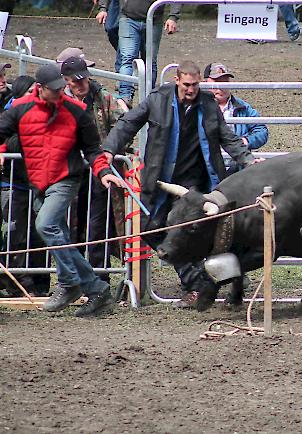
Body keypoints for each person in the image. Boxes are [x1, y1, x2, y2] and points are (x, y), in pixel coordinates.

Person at [101, 60, 257, 309]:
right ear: (176, 80)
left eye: (195, 85)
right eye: (186, 84)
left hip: (195, 184)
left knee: (201, 233)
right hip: (160, 180)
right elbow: (129, 123)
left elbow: (227, 137)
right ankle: (201, 279)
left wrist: (247, 160)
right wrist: (109, 149)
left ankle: (202, 283)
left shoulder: (207, 105)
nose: (191, 89)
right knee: (148, 228)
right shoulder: (157, 99)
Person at [0, 64, 125, 316]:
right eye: (54, 90)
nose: (60, 94)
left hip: (66, 178)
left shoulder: (77, 113)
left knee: (45, 225)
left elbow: (93, 150)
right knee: (60, 238)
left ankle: (69, 283)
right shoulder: (19, 109)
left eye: (61, 88)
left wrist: (103, 173)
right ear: (40, 88)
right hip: (37, 183)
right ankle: (97, 290)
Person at [61, 55, 126, 284]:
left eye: (84, 80)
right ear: (66, 81)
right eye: (75, 82)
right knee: (71, 225)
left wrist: (108, 149)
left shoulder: (104, 98)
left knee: (99, 226)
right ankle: (74, 280)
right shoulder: (59, 101)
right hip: (69, 172)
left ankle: (100, 277)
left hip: (100, 171)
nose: (81, 85)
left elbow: (123, 126)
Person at [0, 74, 51, 297]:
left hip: (40, 185)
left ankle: (39, 284)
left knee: (40, 234)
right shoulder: (11, 114)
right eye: (30, 92)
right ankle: (17, 285)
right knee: (14, 236)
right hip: (14, 184)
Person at [95, 0, 181, 108]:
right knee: (127, 58)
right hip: (128, 18)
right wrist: (103, 8)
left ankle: (149, 99)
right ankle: (124, 99)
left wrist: (173, 17)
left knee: (149, 61)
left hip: (154, 20)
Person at [203, 62, 268, 173]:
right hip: (207, 167)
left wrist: (246, 141)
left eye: (225, 82)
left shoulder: (243, 107)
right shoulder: (199, 107)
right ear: (205, 82)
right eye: (217, 82)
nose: (221, 87)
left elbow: (262, 130)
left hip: (237, 167)